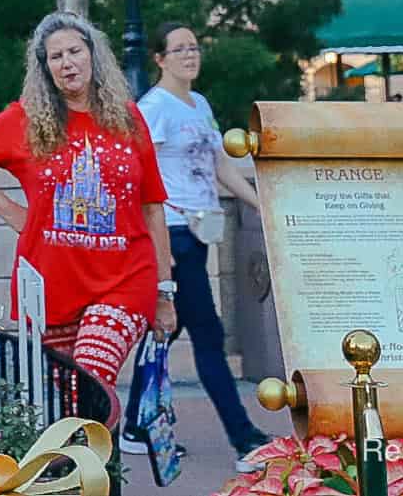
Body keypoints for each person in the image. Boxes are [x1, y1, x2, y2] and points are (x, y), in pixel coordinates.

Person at [0, 12, 173, 430]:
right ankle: (95, 478)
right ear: (44, 67)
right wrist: (10, 211)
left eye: (75, 51)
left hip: (126, 278)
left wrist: (164, 291)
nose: (67, 63)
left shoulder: (128, 118)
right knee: (75, 405)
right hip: (52, 286)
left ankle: (89, 470)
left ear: (92, 56)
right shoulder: (26, 120)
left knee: (90, 377)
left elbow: (153, 206)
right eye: (56, 56)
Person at [138, 24, 268, 471]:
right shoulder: (153, 109)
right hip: (173, 233)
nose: (189, 56)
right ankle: (243, 439)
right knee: (209, 336)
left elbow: (221, 168)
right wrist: (160, 251)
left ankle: (136, 427)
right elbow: (140, 179)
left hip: (200, 230)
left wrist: (261, 205)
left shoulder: (201, 105)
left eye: (193, 48)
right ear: (159, 58)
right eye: (179, 49)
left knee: (166, 331)